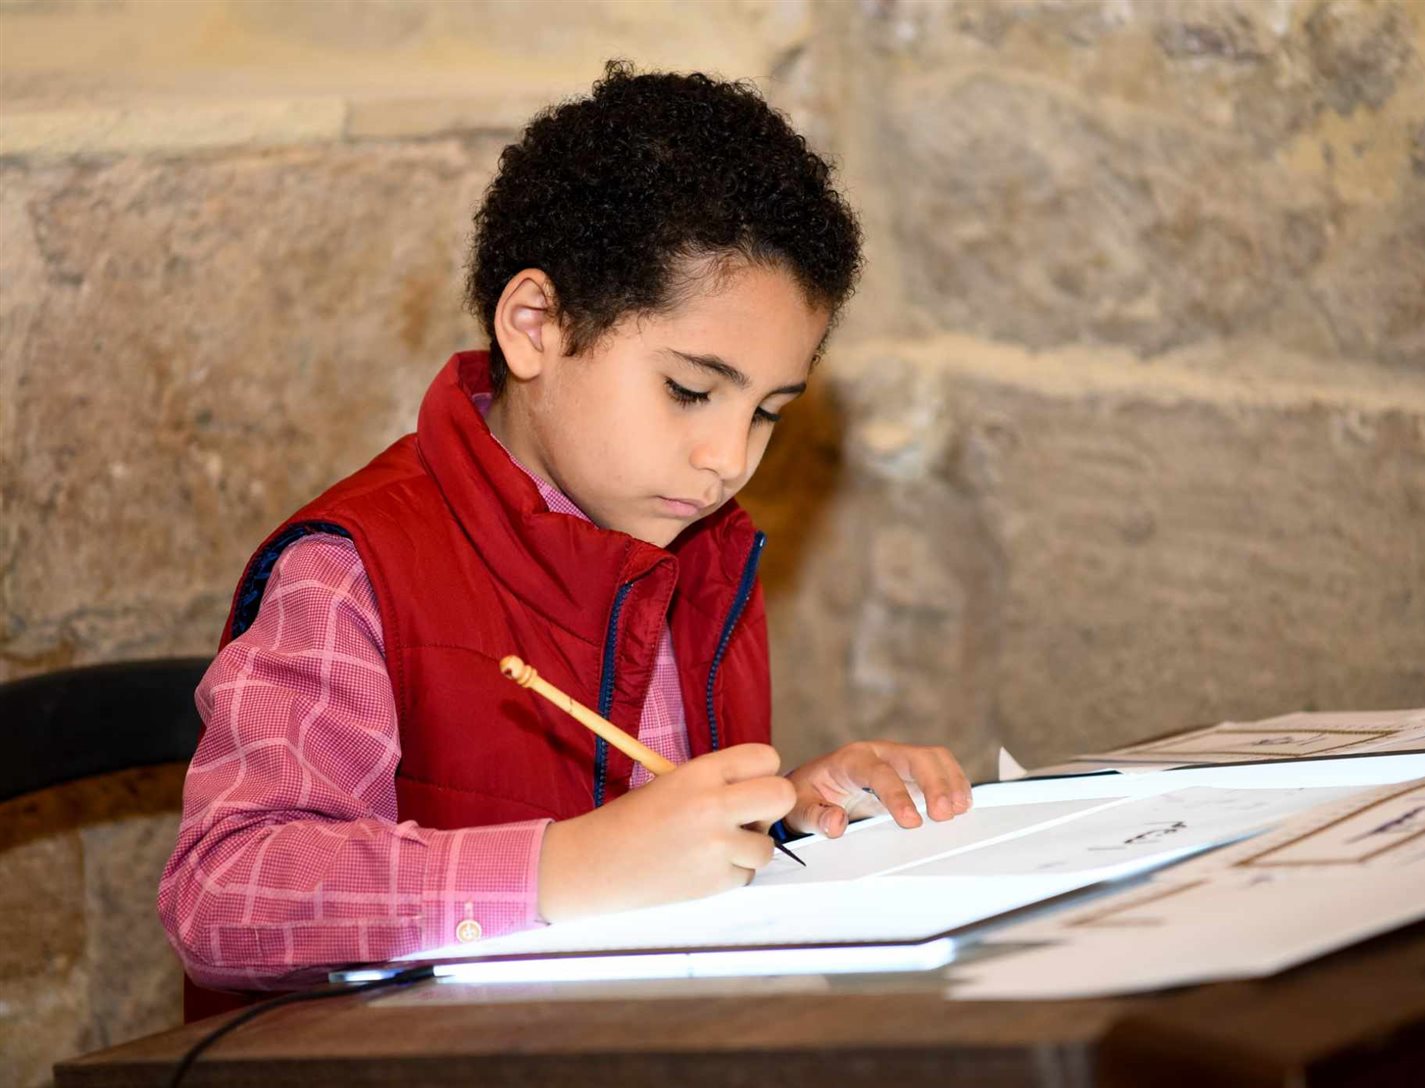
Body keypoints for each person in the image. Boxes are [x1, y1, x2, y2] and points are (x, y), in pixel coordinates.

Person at [159, 61, 973, 1015]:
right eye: (689, 391)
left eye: (767, 413)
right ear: (535, 326)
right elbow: (223, 892)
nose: (727, 460)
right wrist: (563, 868)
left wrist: (787, 812)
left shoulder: (703, 553)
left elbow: (651, 850)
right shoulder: (353, 572)